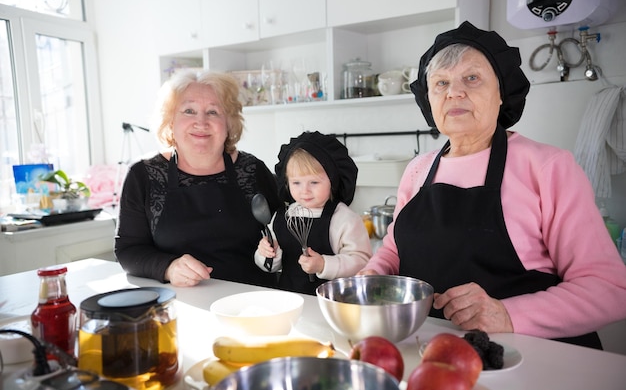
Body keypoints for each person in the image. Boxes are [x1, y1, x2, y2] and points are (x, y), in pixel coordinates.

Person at [358, 21, 626, 349]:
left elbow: (608, 288)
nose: (454, 92)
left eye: (471, 78)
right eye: (440, 83)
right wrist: (373, 275)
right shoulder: (418, 170)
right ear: (429, 100)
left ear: (502, 93)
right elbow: (394, 248)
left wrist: (506, 314)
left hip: (533, 360)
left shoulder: (547, 166)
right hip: (433, 352)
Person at [115, 70, 282, 288]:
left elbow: (286, 229)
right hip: (182, 305)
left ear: (229, 123)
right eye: (189, 111)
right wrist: (169, 267)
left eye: (213, 112)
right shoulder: (144, 175)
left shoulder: (253, 170)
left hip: (251, 302)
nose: (201, 122)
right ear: (170, 121)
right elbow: (128, 250)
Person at [255, 131, 372, 295]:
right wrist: (266, 253)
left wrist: (324, 265)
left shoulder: (344, 219)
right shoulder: (281, 217)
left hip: (333, 303)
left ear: (332, 180)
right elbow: (270, 266)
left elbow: (362, 262)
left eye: (314, 182)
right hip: (289, 300)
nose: (305, 191)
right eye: (296, 182)